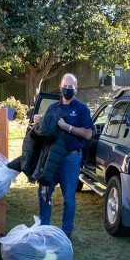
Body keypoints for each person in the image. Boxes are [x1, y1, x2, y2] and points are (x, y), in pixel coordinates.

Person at [37, 73, 93, 238]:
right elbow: (44, 132)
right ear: (60, 86)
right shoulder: (53, 108)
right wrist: (39, 122)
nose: (67, 89)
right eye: (65, 86)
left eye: (70, 87)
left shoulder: (81, 108)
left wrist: (67, 127)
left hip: (71, 158)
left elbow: (89, 134)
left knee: (69, 198)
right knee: (44, 192)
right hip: (52, 158)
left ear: (76, 89)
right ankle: (44, 229)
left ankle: (66, 233)